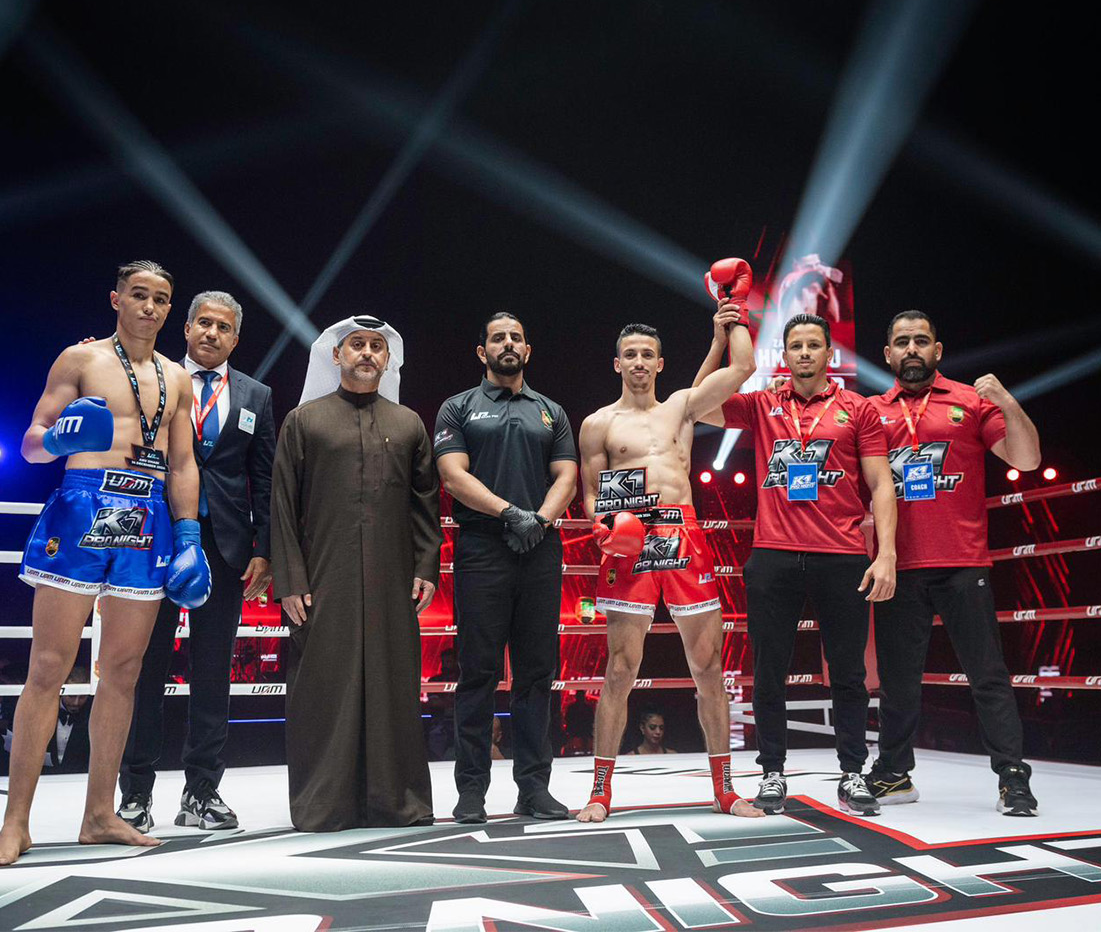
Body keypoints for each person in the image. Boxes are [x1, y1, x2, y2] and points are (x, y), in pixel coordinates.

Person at [0, 260, 209, 866]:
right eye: (139, 295)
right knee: (48, 667)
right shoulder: (79, 360)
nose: (150, 307)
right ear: (116, 299)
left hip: (148, 514)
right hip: (83, 506)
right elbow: (31, 443)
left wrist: (189, 533)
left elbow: (182, 463)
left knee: (125, 670)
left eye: (161, 298)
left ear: (170, 308)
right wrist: (58, 440)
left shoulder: (177, 378)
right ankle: (15, 824)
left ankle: (100, 815)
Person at [698, 312, 896, 817]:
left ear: (829, 353)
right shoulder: (762, 404)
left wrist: (886, 553)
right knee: (769, 671)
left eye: (813, 345)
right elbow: (698, 402)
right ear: (783, 355)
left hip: (843, 553)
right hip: (774, 552)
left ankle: (852, 773)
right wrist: (720, 342)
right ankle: (772, 772)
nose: (805, 353)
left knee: (849, 672)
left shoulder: (859, 409)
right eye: (796, 346)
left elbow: (881, 484)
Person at [577, 295, 763, 823]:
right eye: (629, 354)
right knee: (620, 669)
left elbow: (743, 367)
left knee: (708, 667)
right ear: (617, 363)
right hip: (630, 541)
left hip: (682, 535)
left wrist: (732, 316)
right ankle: (599, 793)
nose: (638, 362)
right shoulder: (597, 424)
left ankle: (725, 790)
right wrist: (606, 529)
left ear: (660, 363)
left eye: (647, 354)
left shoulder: (681, 406)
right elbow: (591, 495)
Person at [866, 310, 1042, 816]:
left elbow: (1027, 459)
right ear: (888, 354)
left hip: (963, 561)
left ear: (937, 350)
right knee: (898, 680)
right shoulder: (871, 411)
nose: (912, 349)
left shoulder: (970, 400)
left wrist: (1006, 399)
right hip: (899, 564)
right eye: (903, 341)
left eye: (921, 340)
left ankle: (1013, 777)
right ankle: (894, 773)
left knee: (987, 674)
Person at [272, 315, 442, 831]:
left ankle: (397, 802)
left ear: (388, 360)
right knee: (324, 687)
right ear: (336, 355)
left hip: (394, 581)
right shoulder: (304, 421)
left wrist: (426, 566)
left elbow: (425, 504)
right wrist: (291, 579)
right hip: (324, 579)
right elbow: (282, 505)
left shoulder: (409, 424)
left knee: (393, 686)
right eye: (357, 345)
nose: (367, 353)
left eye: (376, 347)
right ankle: (325, 805)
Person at [119, 290, 276, 832]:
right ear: (185, 329)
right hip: (155, 535)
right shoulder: (155, 378)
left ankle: (202, 792)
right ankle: (135, 793)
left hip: (226, 545)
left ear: (236, 338)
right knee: (144, 668)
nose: (212, 333)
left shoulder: (256, 394)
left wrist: (264, 549)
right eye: (204, 323)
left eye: (223, 327)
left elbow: (264, 478)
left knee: (213, 671)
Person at [434, 312, 577, 823]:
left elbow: (567, 476)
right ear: (483, 351)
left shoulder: (551, 411)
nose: (508, 343)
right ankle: (471, 790)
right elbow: (452, 475)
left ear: (527, 350)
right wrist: (509, 513)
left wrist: (539, 519)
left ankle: (534, 789)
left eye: (516, 337)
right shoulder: (458, 407)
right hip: (483, 548)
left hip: (540, 547)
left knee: (537, 673)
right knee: (478, 671)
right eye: (498, 338)